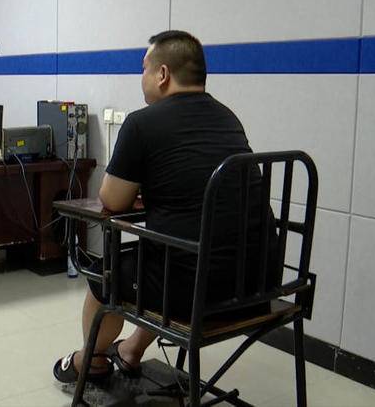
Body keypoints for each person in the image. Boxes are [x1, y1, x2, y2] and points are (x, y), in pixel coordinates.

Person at [53, 30, 280, 383]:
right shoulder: (227, 118)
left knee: (107, 271)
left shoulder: (142, 122)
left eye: (143, 68)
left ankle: (90, 361)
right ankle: (130, 351)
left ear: (162, 74)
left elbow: (112, 200)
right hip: (260, 281)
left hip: (196, 292)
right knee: (165, 260)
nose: (141, 77)